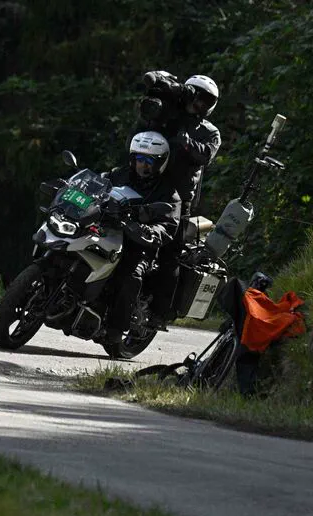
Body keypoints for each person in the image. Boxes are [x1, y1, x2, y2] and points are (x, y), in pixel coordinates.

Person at [137, 73, 222, 329]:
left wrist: (183, 139)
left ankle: (159, 313)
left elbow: (205, 155)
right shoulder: (166, 113)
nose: (201, 104)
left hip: (178, 198)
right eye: (198, 96)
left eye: (207, 101)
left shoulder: (209, 131)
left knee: (169, 255)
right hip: (142, 184)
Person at [101, 131, 181, 348]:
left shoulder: (168, 193)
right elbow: (97, 185)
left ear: (160, 163)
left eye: (148, 161)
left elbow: (167, 226)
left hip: (138, 246)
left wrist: (147, 231)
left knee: (131, 277)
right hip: (107, 233)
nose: (142, 165)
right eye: (139, 159)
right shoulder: (118, 175)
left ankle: (115, 330)